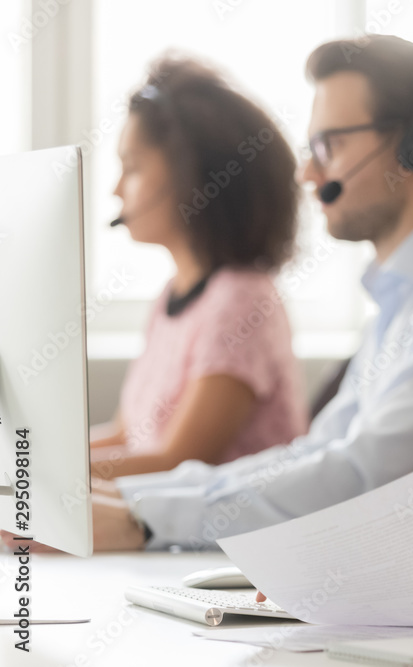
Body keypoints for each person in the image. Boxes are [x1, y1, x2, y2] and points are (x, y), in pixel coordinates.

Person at [1, 35, 413, 553]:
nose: (309, 173)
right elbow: (320, 451)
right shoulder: (403, 296)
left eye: (331, 145)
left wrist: (140, 515)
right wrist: (127, 499)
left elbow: (363, 473)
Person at [89, 57, 308, 479]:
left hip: (220, 541)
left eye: (131, 168)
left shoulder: (241, 300)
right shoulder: (173, 294)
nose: (116, 189)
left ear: (191, 175)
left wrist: (30, 478)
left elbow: (176, 461)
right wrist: (24, 465)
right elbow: (127, 435)